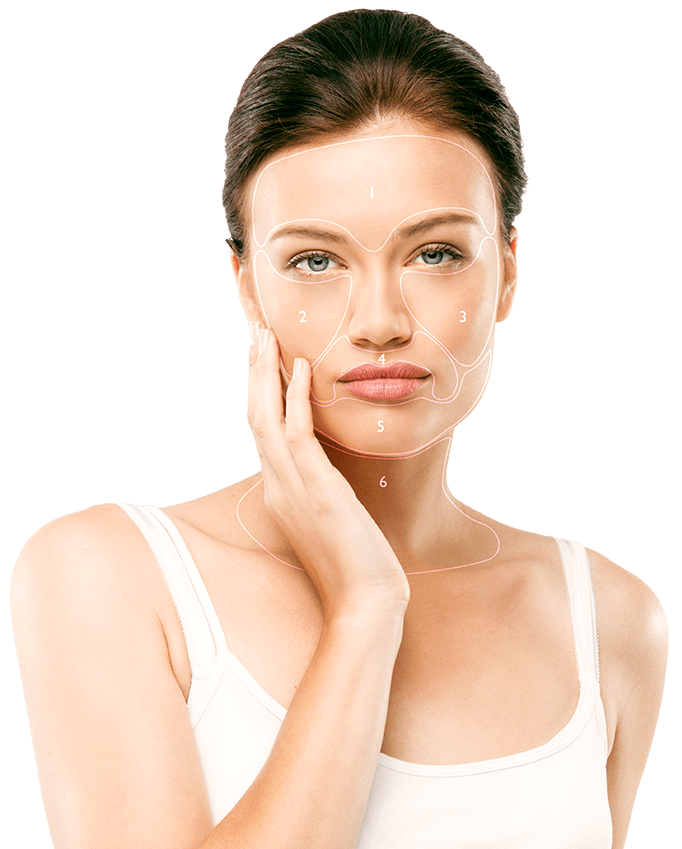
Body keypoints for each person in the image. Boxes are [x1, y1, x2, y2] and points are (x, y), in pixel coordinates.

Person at [10, 9, 667, 848]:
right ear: (248, 286)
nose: (381, 321)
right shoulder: (109, 575)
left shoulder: (609, 619)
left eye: (435, 253)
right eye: (315, 261)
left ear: (507, 270)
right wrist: (364, 608)